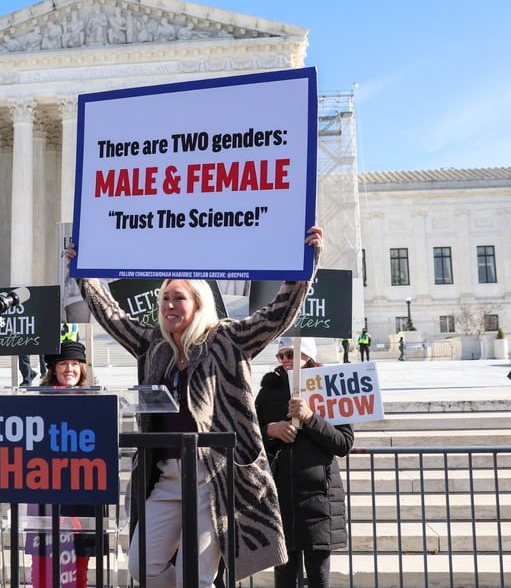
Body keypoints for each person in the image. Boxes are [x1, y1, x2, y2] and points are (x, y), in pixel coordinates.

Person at [67, 226, 323, 587]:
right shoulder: (152, 343)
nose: (169, 306)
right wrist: (84, 273)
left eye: (178, 298)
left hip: (213, 478)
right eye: (165, 299)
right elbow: (112, 316)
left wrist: (306, 262)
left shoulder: (227, 338)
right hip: (167, 476)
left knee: (196, 576)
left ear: (198, 303)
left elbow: (277, 315)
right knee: (143, 567)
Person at [256, 337, 353, 588]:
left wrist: (310, 418)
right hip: (280, 495)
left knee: (319, 576)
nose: (286, 360)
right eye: (281, 356)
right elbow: (249, 437)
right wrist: (271, 430)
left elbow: (343, 443)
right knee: (284, 576)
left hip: (319, 498)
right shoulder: (268, 392)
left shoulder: (330, 387)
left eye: (291, 354)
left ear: (307, 356)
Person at [28, 340, 99, 588]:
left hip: (83, 490)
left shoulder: (94, 400)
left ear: (82, 368)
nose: (70, 369)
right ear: (53, 368)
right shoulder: (40, 400)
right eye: (63, 364)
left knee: (80, 564)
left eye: (75, 364)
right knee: (43, 563)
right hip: (46, 488)